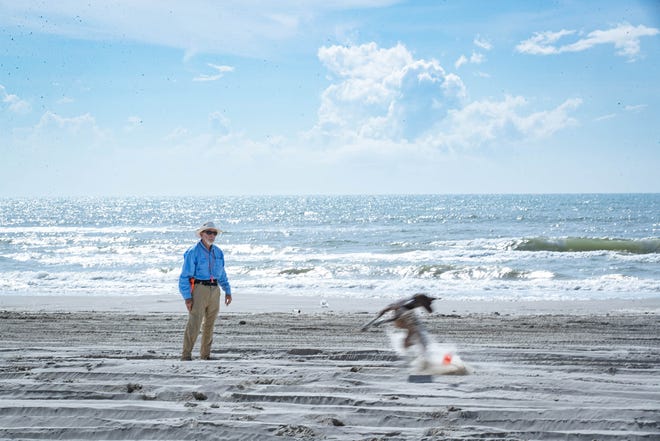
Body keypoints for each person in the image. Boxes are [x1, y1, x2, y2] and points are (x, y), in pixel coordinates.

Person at [178, 221, 232, 361]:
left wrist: (228, 290)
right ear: (201, 234)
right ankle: (186, 355)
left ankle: (205, 355)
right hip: (199, 289)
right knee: (194, 323)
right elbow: (184, 276)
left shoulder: (218, 252)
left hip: (215, 290)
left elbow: (222, 274)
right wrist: (187, 297)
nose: (212, 235)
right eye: (209, 232)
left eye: (214, 233)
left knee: (210, 323)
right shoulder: (193, 252)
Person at [361, 294, 437, 352]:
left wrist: (371, 323)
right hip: (400, 321)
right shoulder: (401, 307)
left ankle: (413, 345)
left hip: (405, 316)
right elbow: (393, 317)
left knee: (416, 331)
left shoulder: (412, 301)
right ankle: (411, 345)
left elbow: (428, 309)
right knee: (414, 331)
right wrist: (376, 323)